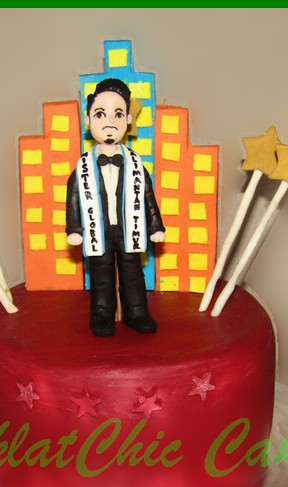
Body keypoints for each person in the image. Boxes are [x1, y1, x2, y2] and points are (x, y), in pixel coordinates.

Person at [65, 78, 165, 337]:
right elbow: (74, 197)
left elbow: (147, 196)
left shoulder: (136, 165)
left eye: (118, 114)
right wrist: (74, 229)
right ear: (88, 120)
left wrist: (155, 225)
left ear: (128, 120)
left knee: (133, 273)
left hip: (129, 229)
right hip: (97, 231)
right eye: (100, 114)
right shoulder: (83, 168)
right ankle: (102, 315)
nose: (109, 122)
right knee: (101, 276)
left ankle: (137, 313)